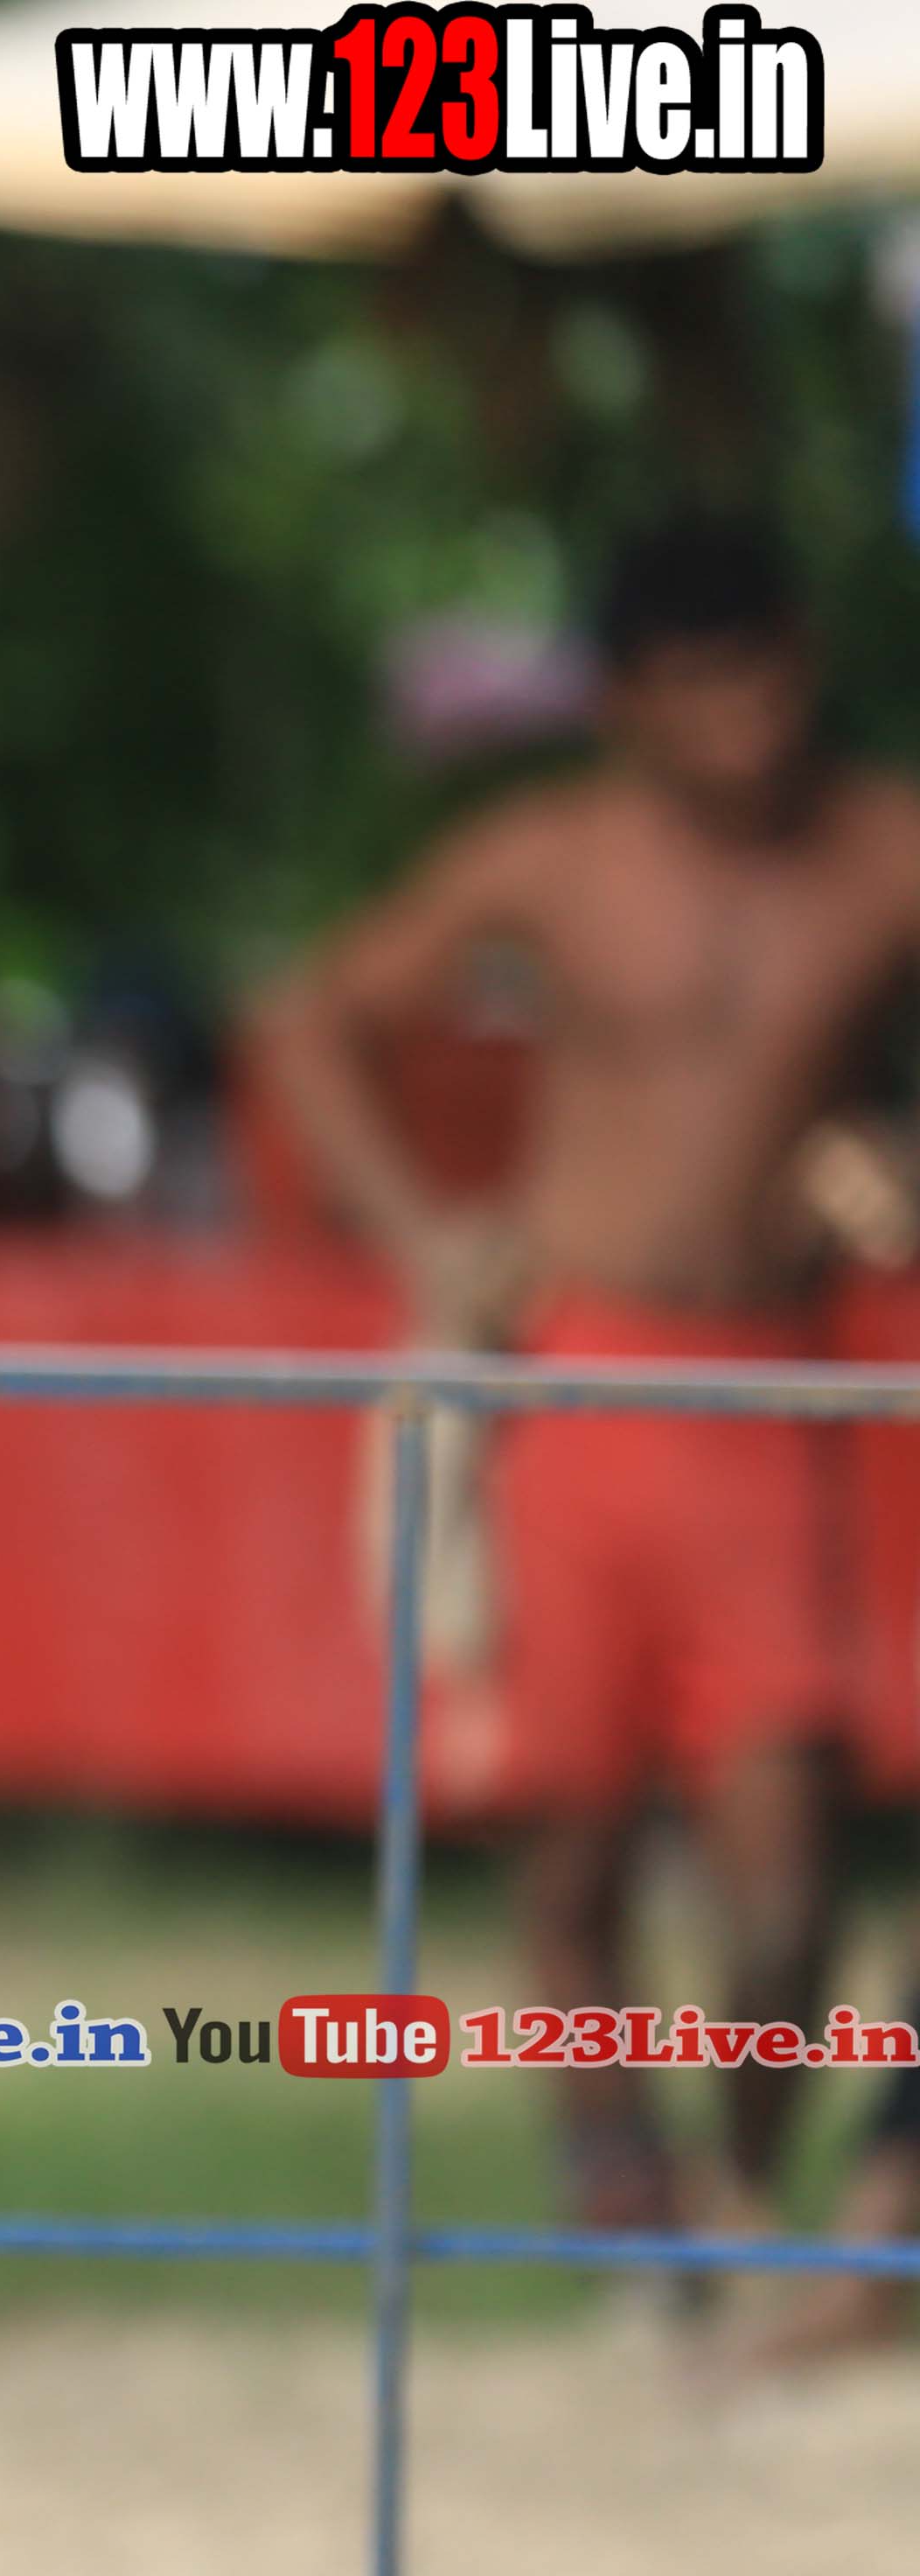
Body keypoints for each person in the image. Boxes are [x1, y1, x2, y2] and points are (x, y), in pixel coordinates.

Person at [260, 514, 920, 2291]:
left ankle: (747, 2187)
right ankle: (624, 2194)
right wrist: (422, 1233)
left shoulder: (885, 852)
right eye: (702, 691)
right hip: (569, 1384)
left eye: (768, 680)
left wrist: (901, 1159)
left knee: (787, 1867)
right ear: (627, 703)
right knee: (572, 1839)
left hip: (768, 1389)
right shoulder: (554, 858)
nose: (747, 727)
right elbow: (314, 1016)